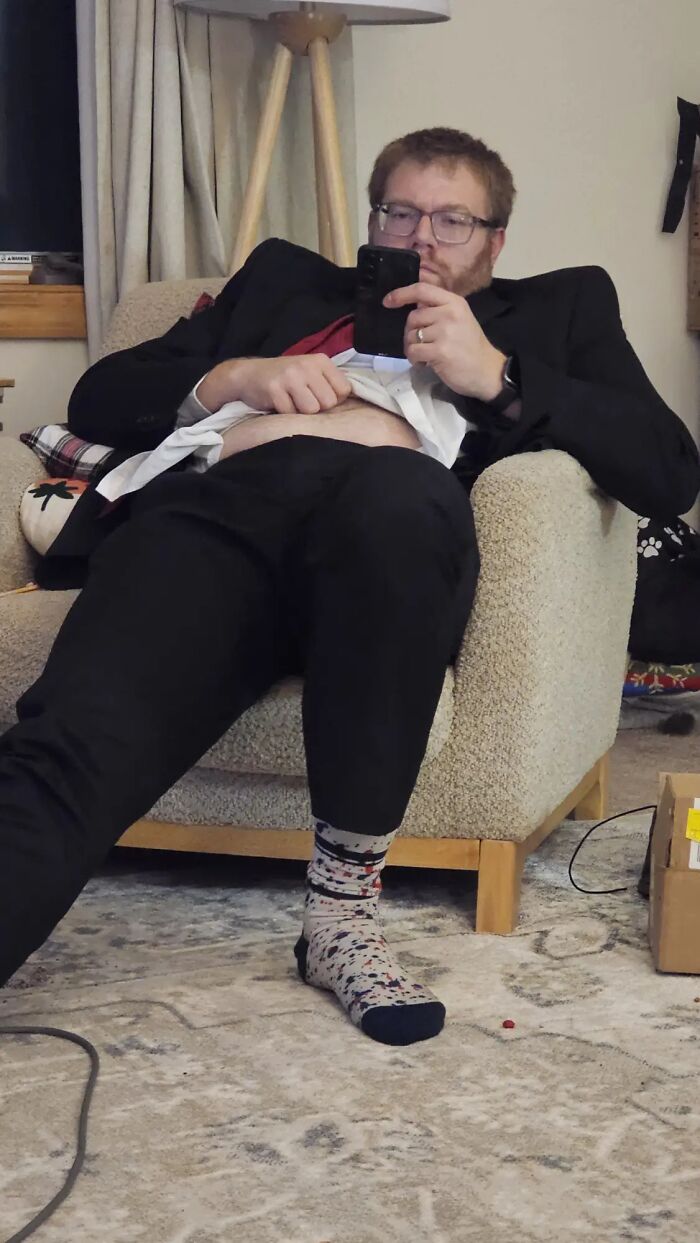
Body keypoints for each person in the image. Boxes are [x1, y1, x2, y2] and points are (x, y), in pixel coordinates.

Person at [0, 128, 698, 1046]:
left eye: (453, 221)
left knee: (396, 496)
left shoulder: (559, 307)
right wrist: (233, 377)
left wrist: (497, 375)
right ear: (372, 221)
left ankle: (339, 918)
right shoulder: (282, 281)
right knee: (70, 745)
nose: (422, 239)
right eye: (400, 213)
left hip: (389, 535)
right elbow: (100, 394)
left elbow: (667, 468)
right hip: (219, 520)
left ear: (496, 240)